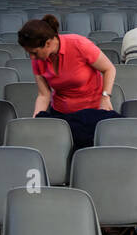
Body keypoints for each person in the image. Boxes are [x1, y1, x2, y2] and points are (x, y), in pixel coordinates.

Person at [17, 15, 121, 148]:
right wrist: (36, 120)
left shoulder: (79, 44)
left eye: (35, 52)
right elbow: (44, 95)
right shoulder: (38, 61)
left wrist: (105, 97)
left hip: (90, 113)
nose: (32, 57)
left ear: (48, 43)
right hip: (62, 114)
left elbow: (109, 69)